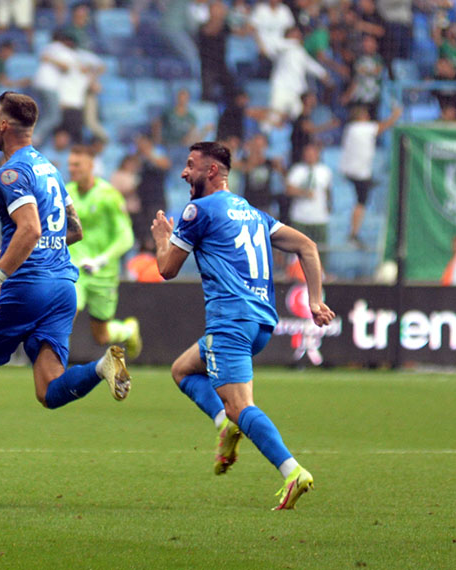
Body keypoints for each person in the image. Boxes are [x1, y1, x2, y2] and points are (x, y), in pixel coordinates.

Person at [0, 92, 133, 495]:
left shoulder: (10, 173)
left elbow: (32, 230)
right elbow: (72, 230)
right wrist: (13, 253)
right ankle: (100, 367)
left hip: (25, 288)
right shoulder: (51, 170)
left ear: (3, 125)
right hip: (62, 287)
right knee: (48, 391)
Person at [150, 141, 335, 510]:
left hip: (230, 321)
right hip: (261, 323)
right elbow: (309, 247)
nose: (184, 172)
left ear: (212, 171)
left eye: (190, 165)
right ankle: (224, 424)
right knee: (183, 370)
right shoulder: (254, 213)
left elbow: (167, 269)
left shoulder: (197, 210)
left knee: (241, 406)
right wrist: (315, 300)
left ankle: (292, 470)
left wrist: (161, 239)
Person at [67, 144, 142, 358]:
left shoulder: (109, 195)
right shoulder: (66, 193)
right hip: (75, 270)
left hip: (103, 273)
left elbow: (126, 237)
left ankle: (128, 330)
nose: (72, 169)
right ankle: (55, 372)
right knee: (65, 314)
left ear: (91, 165)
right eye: (71, 165)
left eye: (77, 165)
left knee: (101, 335)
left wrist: (102, 259)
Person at [339, 104, 402, 248]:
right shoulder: (362, 128)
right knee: (361, 202)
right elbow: (383, 126)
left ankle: (354, 233)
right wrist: (395, 115)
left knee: (363, 197)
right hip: (360, 173)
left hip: (352, 170)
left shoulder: (350, 128)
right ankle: (354, 234)